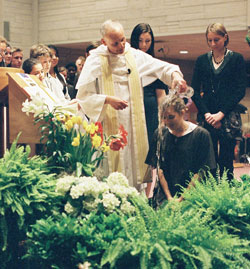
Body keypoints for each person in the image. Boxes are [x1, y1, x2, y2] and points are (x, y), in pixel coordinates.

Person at [76, 19, 187, 189]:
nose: (121, 45)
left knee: (134, 162)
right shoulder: (95, 60)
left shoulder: (134, 56)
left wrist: (176, 76)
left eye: (123, 39)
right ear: (104, 42)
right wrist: (107, 100)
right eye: (115, 43)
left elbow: (162, 67)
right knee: (109, 167)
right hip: (107, 124)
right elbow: (84, 96)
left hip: (134, 125)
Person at [191, 23, 246, 180]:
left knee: (227, 161)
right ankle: (209, 198)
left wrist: (221, 114)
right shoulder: (202, 60)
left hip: (228, 115)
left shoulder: (236, 59)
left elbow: (239, 90)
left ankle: (226, 196)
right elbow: (194, 90)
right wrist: (207, 114)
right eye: (210, 40)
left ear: (225, 37)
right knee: (209, 162)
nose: (213, 44)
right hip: (207, 115)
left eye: (217, 39)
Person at [146, 94, 216, 203]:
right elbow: (159, 168)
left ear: (182, 112)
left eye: (171, 117)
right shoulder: (160, 134)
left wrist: (182, 198)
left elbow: (201, 171)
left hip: (193, 193)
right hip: (165, 194)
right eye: (163, 117)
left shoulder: (201, 135)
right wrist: (169, 198)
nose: (167, 122)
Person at [130, 23, 167, 145]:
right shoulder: (127, 62)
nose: (143, 45)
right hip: (132, 108)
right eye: (140, 41)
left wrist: (163, 119)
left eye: (147, 41)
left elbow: (161, 95)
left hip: (150, 111)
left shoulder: (154, 63)